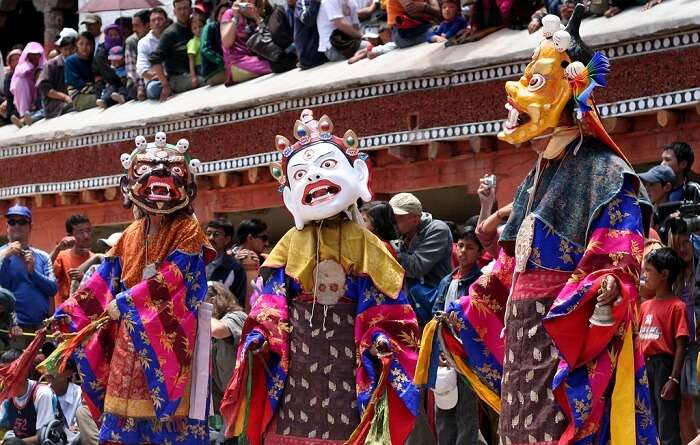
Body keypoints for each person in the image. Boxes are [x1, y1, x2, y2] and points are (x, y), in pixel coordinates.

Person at [221, 110, 420, 444]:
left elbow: (387, 303)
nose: (313, 176)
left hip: (347, 358)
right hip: (297, 360)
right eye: (301, 173)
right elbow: (271, 300)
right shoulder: (291, 243)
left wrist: (380, 336)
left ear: (357, 173)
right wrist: (261, 333)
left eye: (327, 166)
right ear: (289, 195)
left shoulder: (368, 244)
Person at [52, 132, 215, 444]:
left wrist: (127, 301)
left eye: (172, 174)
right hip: (131, 333)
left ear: (187, 187)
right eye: (147, 173)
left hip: (171, 333)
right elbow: (103, 278)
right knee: (122, 419)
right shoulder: (131, 232)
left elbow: (176, 276)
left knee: (168, 422)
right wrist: (69, 314)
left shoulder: (188, 228)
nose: (159, 181)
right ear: (130, 186)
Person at [639, 247, 689, 445]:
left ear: (664, 274)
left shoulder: (677, 306)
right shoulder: (644, 306)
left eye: (649, 270)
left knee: (667, 423)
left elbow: (681, 345)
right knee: (650, 421)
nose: (645, 275)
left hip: (664, 368)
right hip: (646, 367)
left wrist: (673, 379)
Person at [390, 192, 452, 323]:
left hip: (434, 305)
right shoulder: (399, 235)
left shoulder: (437, 229)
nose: (392, 221)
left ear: (415, 218)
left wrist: (389, 248)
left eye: (398, 217)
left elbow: (416, 267)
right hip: (410, 309)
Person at [0, 205, 57, 335]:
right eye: (12, 222)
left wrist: (33, 272)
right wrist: (5, 257)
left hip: (40, 327)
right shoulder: (1, 254)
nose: (17, 226)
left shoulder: (42, 256)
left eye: (22, 222)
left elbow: (53, 289)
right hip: (10, 328)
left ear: (30, 227)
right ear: (7, 226)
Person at [207, 282, 246, 424]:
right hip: (221, 410)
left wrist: (198, 309)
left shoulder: (238, 317)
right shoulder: (207, 325)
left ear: (212, 302)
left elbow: (218, 330)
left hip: (242, 405)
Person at [0, 350, 57, 445]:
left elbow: (43, 437)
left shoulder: (42, 393)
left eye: (10, 374)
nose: (6, 379)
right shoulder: (6, 395)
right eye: (3, 373)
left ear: (25, 372)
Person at [148, 0, 201, 100]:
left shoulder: (195, 27)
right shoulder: (169, 33)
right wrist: (165, 85)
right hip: (178, 78)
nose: (182, 12)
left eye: (185, 8)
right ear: (174, 12)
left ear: (191, 10)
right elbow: (155, 60)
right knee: (206, 81)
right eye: (179, 9)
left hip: (197, 71)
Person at [219, 0, 273, 85]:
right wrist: (235, 18)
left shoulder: (257, 11)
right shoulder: (230, 13)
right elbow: (226, 42)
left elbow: (268, 39)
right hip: (237, 62)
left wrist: (257, 17)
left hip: (256, 57)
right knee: (276, 65)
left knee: (280, 61)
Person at [50, 214, 94, 310]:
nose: (86, 236)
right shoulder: (61, 256)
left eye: (88, 231)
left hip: (87, 315)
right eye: (80, 232)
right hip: (64, 315)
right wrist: (57, 249)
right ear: (70, 236)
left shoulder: (95, 259)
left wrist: (84, 278)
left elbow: (100, 290)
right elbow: (45, 272)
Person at [205, 219, 247, 306]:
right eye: (208, 234)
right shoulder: (195, 261)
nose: (210, 238)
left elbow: (239, 301)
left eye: (216, 235)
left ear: (227, 240)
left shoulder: (235, 268)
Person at [37, 34, 75, 120]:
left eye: (71, 49)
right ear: (60, 50)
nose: (68, 52)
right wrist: (65, 97)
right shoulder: (51, 65)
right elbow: (45, 88)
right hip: (54, 104)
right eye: (65, 49)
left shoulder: (77, 61)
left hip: (73, 97)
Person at [9, 42, 46, 128]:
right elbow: (21, 73)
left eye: (36, 55)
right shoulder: (23, 66)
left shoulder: (45, 65)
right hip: (30, 98)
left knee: (42, 110)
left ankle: (25, 120)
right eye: (31, 55)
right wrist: (30, 65)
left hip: (43, 97)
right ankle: (23, 119)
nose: (34, 57)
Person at [137, 7, 167, 99]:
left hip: (172, 74)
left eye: (160, 19)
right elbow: (141, 68)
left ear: (166, 21)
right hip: (154, 80)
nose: (157, 23)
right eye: (153, 20)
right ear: (149, 24)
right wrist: (160, 76)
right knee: (154, 89)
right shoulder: (144, 42)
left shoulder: (171, 35)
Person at [93, 23, 124, 108]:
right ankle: (105, 101)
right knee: (111, 89)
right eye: (111, 35)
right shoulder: (101, 53)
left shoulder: (124, 47)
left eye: (116, 35)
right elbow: (108, 75)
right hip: (108, 82)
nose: (113, 37)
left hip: (124, 79)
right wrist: (119, 78)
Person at [64, 32, 97, 111]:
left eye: (88, 44)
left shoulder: (94, 59)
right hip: (78, 97)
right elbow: (75, 82)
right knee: (102, 99)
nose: (84, 47)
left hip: (94, 91)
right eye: (81, 44)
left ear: (93, 46)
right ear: (76, 45)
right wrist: (92, 88)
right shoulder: (70, 61)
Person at [124, 9, 151, 101]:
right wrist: (140, 87)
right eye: (133, 26)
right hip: (138, 81)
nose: (134, 29)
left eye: (137, 26)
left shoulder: (157, 36)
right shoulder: (131, 42)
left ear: (148, 25)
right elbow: (132, 70)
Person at [640, 164, 676, 229]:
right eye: (646, 184)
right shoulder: (647, 212)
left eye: (651, 184)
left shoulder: (675, 216)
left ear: (667, 187)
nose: (646, 189)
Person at [200, 1, 228, 84]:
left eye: (227, 13)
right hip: (213, 73)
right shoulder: (210, 27)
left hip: (226, 68)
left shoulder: (229, 29)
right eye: (222, 13)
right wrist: (222, 62)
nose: (224, 16)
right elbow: (205, 49)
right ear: (217, 16)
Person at [294, 0, 327, 69]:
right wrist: (315, 2)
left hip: (324, 51)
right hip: (311, 56)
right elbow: (308, 20)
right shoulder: (302, 2)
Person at [187, 14, 205, 88]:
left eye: (200, 26)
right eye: (195, 28)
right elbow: (191, 60)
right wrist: (193, 77)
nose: (198, 29)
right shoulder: (193, 42)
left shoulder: (206, 38)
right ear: (191, 30)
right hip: (200, 67)